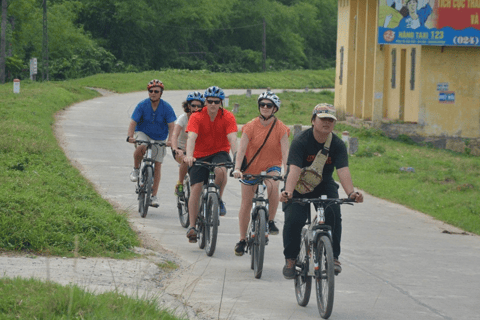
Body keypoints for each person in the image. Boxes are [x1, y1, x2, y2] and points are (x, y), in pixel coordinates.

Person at [279, 103, 363, 279]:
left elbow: (343, 170)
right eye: (322, 119)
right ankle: (291, 259)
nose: (326, 123)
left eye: (330, 120)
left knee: (333, 213)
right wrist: (288, 192)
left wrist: (351, 194)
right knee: (294, 219)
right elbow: (293, 169)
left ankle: (334, 257)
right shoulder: (301, 141)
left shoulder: (338, 144)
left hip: (323, 185)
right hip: (298, 185)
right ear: (313, 120)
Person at [232, 91, 290, 256]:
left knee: (273, 185)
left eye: (269, 105)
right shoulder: (250, 126)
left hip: (272, 166)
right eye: (262, 104)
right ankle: (242, 239)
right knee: (246, 203)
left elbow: (286, 153)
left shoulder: (282, 129)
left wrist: (287, 171)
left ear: (275, 109)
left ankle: (270, 221)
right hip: (251, 168)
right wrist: (237, 169)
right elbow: (241, 150)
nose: (265, 107)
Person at [183, 86, 238, 243]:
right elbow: (191, 138)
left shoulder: (228, 116)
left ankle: (218, 200)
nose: (213, 105)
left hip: (219, 151)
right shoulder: (197, 116)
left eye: (216, 102)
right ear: (205, 102)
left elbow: (233, 138)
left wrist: (237, 158)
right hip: (198, 155)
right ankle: (192, 226)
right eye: (209, 101)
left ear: (221, 102)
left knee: (221, 170)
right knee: (196, 188)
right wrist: (189, 156)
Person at [127, 79, 177, 206]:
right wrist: (130, 136)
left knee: (158, 165)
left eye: (156, 91)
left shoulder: (166, 107)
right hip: (143, 133)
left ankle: (153, 196)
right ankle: (136, 169)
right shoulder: (142, 105)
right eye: (151, 91)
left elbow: (172, 126)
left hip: (160, 137)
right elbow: (133, 122)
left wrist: (170, 140)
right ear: (148, 92)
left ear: (161, 93)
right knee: (141, 146)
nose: (153, 93)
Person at [170, 91, 205, 196]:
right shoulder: (183, 118)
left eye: (199, 106)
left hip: (197, 150)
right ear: (188, 106)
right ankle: (180, 184)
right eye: (193, 105)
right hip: (181, 149)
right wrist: (176, 149)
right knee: (185, 161)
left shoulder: (203, 119)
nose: (196, 108)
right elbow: (174, 135)